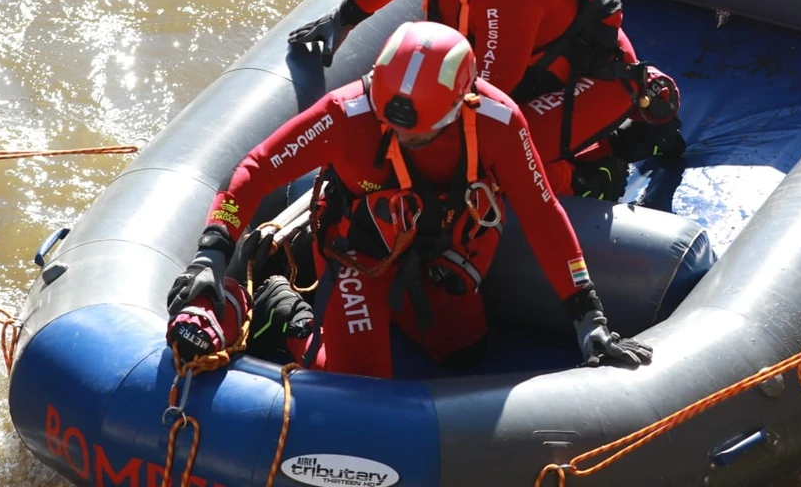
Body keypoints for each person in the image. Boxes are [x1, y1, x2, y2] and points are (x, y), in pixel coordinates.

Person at [166, 21, 652, 378]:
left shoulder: (499, 123)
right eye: (387, 120)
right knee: (356, 382)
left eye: (414, 134)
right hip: (358, 247)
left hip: (442, 242)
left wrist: (588, 313)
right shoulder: (346, 115)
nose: (394, 133)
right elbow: (254, 170)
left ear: (463, 106)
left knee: (463, 353)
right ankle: (284, 311)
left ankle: (388, 310)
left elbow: (542, 211)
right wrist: (213, 249)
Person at [288, 0, 684, 202]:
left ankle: (594, 170)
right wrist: (343, 19)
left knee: (493, 163)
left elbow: (490, 97)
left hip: (592, 82)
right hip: (538, 70)